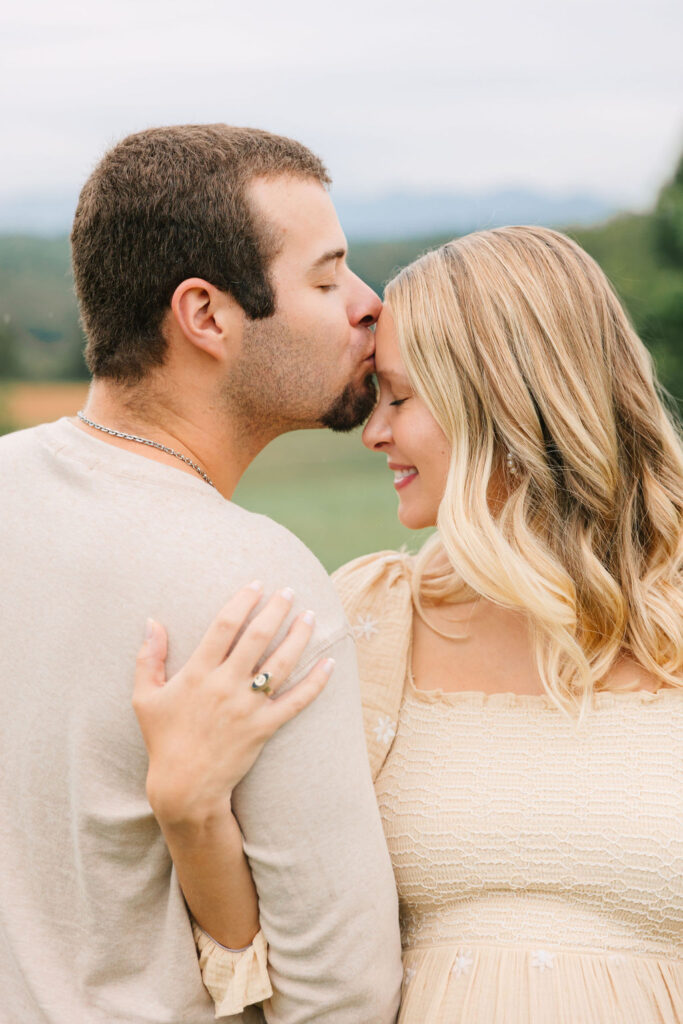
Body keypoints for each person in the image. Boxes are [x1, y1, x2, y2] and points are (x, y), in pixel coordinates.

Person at [148, 226, 683, 1023]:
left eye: (398, 398)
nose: (374, 432)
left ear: (505, 399)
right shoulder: (366, 619)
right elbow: (277, 964)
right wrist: (191, 812)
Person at [0, 124, 403, 1024]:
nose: (368, 304)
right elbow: (342, 996)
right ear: (206, 315)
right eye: (328, 277)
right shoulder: (257, 589)